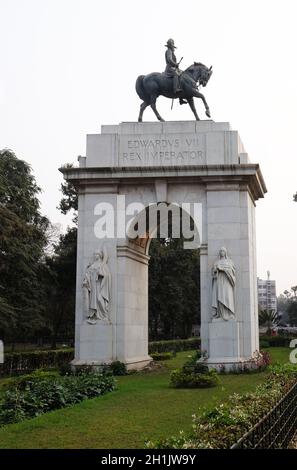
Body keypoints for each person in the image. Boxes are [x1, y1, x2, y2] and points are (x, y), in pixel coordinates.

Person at [82, 246, 111, 324]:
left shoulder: (102, 265)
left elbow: (106, 275)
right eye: (94, 254)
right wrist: (86, 279)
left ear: (100, 256)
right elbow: (87, 274)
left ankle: (104, 315)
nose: (95, 256)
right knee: (93, 301)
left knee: (99, 299)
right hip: (92, 286)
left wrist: (101, 274)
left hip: (99, 285)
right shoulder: (92, 265)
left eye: (97, 254)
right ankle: (93, 316)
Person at [211, 247, 236, 321]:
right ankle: (220, 315)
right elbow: (213, 274)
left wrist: (223, 269)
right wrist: (215, 270)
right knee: (219, 298)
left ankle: (229, 314)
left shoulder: (229, 262)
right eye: (220, 251)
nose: (222, 252)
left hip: (227, 282)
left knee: (227, 297)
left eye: (223, 251)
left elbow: (232, 272)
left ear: (225, 252)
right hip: (219, 282)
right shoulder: (216, 262)